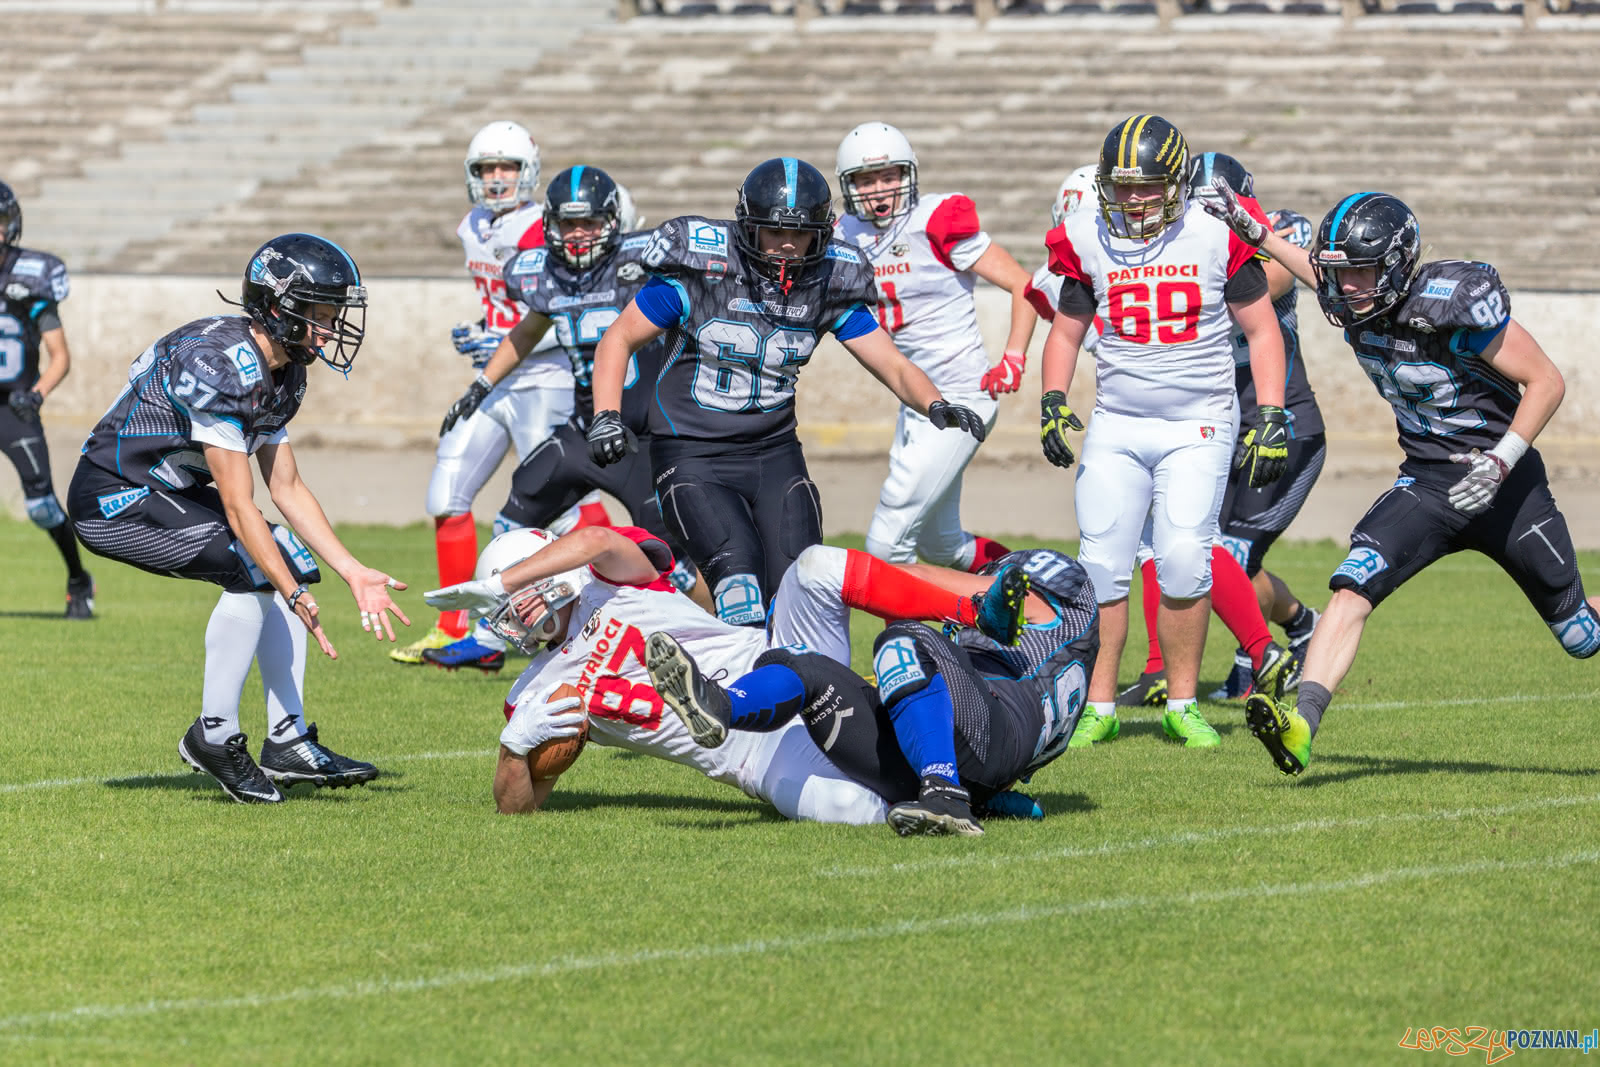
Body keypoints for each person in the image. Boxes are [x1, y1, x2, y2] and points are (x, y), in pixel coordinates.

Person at [1202, 184, 1600, 775]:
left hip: (1505, 485)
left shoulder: (1451, 301)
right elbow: (1314, 269)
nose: (1346, 286)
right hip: (1428, 486)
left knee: (1580, 636)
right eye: (1342, 272)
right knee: (1352, 587)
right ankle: (1301, 727)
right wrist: (1254, 230)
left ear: (1393, 264)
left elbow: (1547, 381)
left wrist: (1500, 460)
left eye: (1360, 272)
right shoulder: (1352, 294)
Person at [66, 234, 407, 804]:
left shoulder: (285, 368)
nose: (330, 330)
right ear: (277, 308)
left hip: (166, 486)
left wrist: (353, 570)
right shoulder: (219, 363)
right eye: (319, 315)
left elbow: (287, 486)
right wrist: (290, 593)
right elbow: (239, 504)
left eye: (333, 315)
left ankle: (287, 740)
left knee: (288, 562)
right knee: (257, 567)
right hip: (112, 497)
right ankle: (214, 736)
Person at [586, 157, 987, 628]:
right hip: (693, 452)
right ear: (748, 227)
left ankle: (797, 693)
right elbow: (619, 338)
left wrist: (935, 403)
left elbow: (893, 364)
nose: (788, 246)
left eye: (801, 235)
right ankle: (742, 694)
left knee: (803, 590)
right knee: (738, 590)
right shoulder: (704, 268)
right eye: (775, 233)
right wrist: (606, 414)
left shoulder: (828, 282)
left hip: (774, 455)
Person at [422, 524, 1029, 820]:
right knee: (861, 814)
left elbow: (597, 537)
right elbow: (517, 810)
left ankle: (973, 611)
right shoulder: (533, 690)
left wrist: (508, 577)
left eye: (524, 593)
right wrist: (512, 748)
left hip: (775, 661)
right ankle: (973, 796)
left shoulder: (612, 578)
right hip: (752, 758)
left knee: (816, 566)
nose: (518, 613)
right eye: (506, 607)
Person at [1037, 115, 1293, 750]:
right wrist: (1051, 399)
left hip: (1198, 420)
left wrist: (1271, 412)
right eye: (1122, 187)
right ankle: (1097, 705)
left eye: (1148, 186)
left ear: (1177, 181)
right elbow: (1066, 330)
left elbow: (1263, 330)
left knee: (1182, 559)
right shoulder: (1086, 235)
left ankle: (1183, 702)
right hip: (1119, 421)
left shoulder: (1212, 234)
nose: (1134, 200)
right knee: (1101, 564)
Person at [646, 546, 1094, 836]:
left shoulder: (1057, 607)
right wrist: (995, 798)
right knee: (801, 662)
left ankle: (946, 795)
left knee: (904, 640)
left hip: (980, 739)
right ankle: (721, 705)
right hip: (963, 752)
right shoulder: (1055, 661)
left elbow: (917, 576)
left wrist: (877, 586)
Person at [1118, 153, 1325, 708]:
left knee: (1224, 551)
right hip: (1215, 425)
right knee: (1197, 547)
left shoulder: (1276, 234)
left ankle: (1255, 655)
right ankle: (1301, 624)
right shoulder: (1181, 247)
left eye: (1215, 210)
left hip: (1284, 425)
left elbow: (1270, 281)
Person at [438, 164, 702, 597]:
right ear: (549, 225)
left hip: (648, 434)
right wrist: (482, 384)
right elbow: (528, 330)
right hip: (586, 432)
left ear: (613, 223)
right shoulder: (541, 273)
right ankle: (495, 634)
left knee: (676, 566)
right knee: (512, 524)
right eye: (567, 224)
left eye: (589, 222)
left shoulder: (643, 262)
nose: (578, 233)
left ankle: (722, 643)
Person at [394, 120, 595, 673]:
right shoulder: (472, 226)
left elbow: (573, 314)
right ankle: (455, 626)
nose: (497, 178)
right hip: (497, 379)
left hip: (546, 378)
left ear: (527, 171)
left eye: (507, 167)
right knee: (446, 494)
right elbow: (504, 310)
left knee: (564, 510)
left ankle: (600, 613)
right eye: (486, 168)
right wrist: (483, 329)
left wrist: (506, 339)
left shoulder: (545, 226)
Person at [833, 121, 1036, 571]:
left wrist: (1014, 357)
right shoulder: (843, 233)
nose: (880, 189)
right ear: (849, 185)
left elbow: (1024, 285)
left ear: (909, 174)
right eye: (866, 180)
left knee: (887, 544)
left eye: (889, 176)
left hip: (962, 396)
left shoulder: (936, 221)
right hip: (918, 403)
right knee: (943, 548)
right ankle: (1036, 585)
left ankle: (904, 643)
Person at [0, 180, 94, 617]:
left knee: (40, 505)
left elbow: (60, 355)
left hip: (15, 403)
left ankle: (78, 578)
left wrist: (36, 395)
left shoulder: (32, 278)